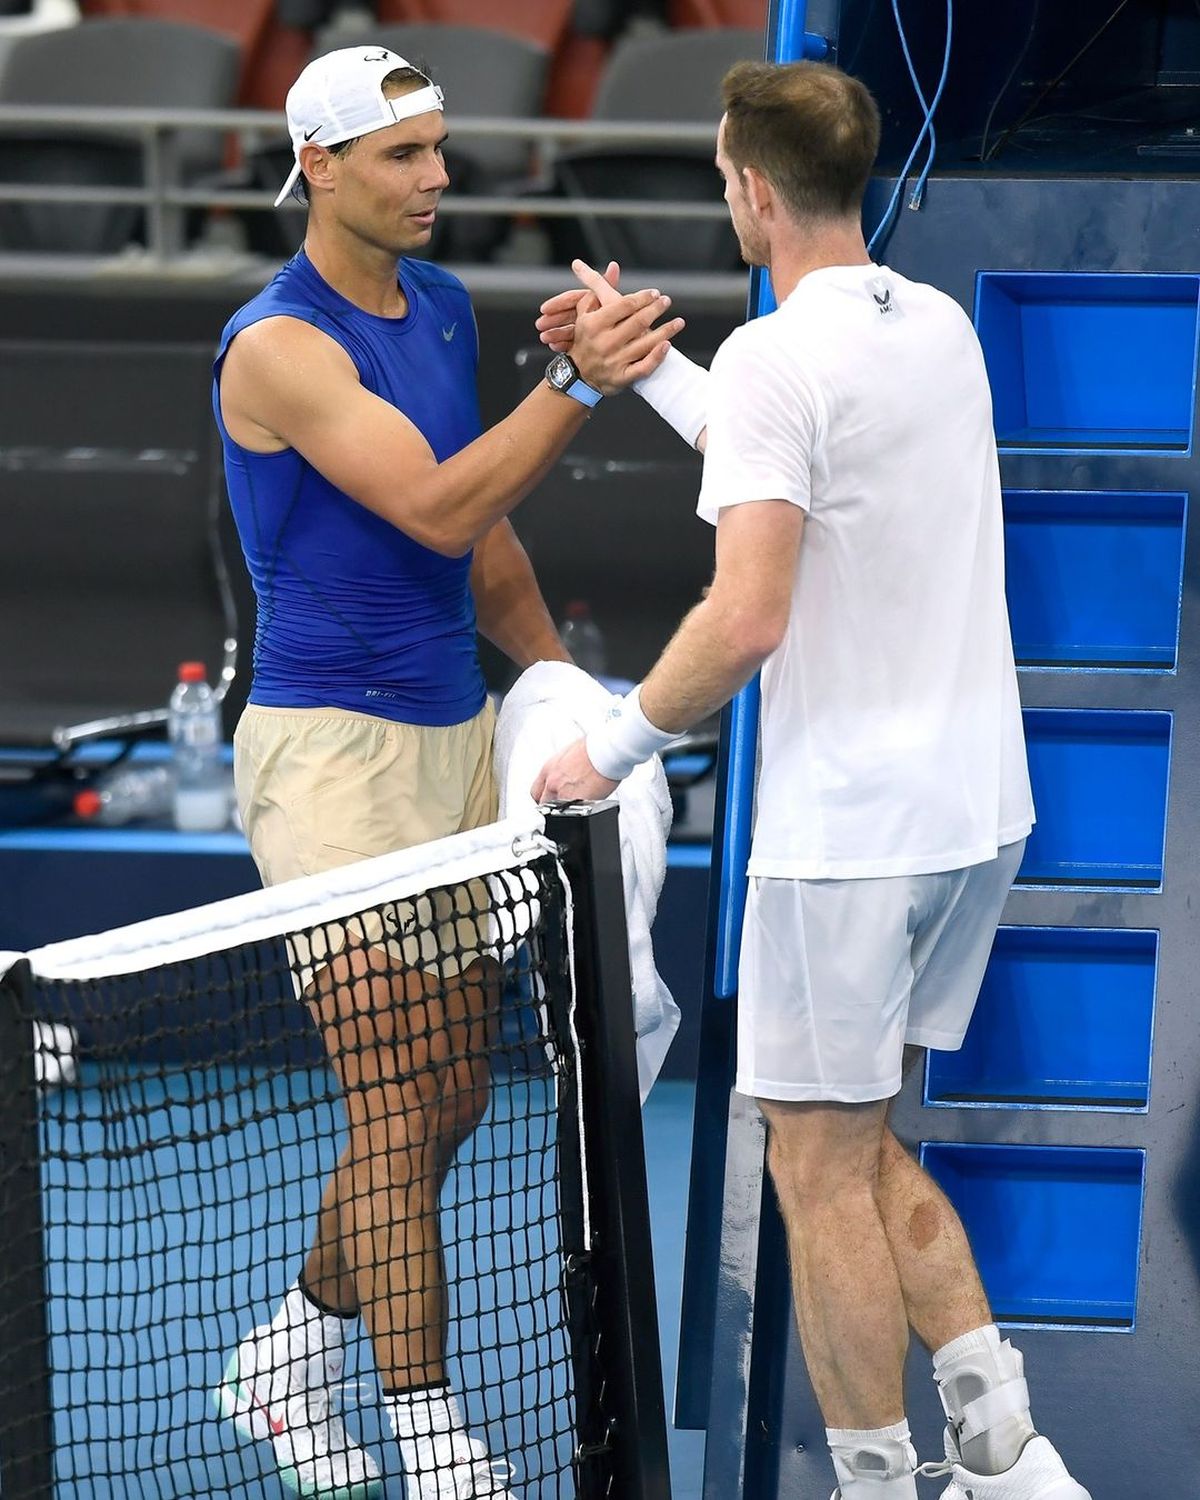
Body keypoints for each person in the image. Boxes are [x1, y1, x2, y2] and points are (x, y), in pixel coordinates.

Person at [534, 60, 1093, 1500]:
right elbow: (794, 450)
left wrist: (607, 748)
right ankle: (1008, 1458)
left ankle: (875, 1483)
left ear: (751, 191)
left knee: (817, 1169)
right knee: (859, 1137)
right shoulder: (935, 326)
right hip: (973, 819)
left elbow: (746, 619)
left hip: (849, 841)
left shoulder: (781, 359)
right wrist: (650, 370)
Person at [209, 44, 683, 1500]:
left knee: (456, 1091)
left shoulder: (444, 306)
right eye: (403, 154)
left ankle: (289, 1351)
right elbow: (430, 503)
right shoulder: (275, 346)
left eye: (438, 148)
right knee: (397, 1105)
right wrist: (576, 384)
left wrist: (560, 694)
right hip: (328, 762)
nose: (438, 177)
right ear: (322, 165)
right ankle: (430, 1438)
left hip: (457, 741)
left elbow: (484, 536)